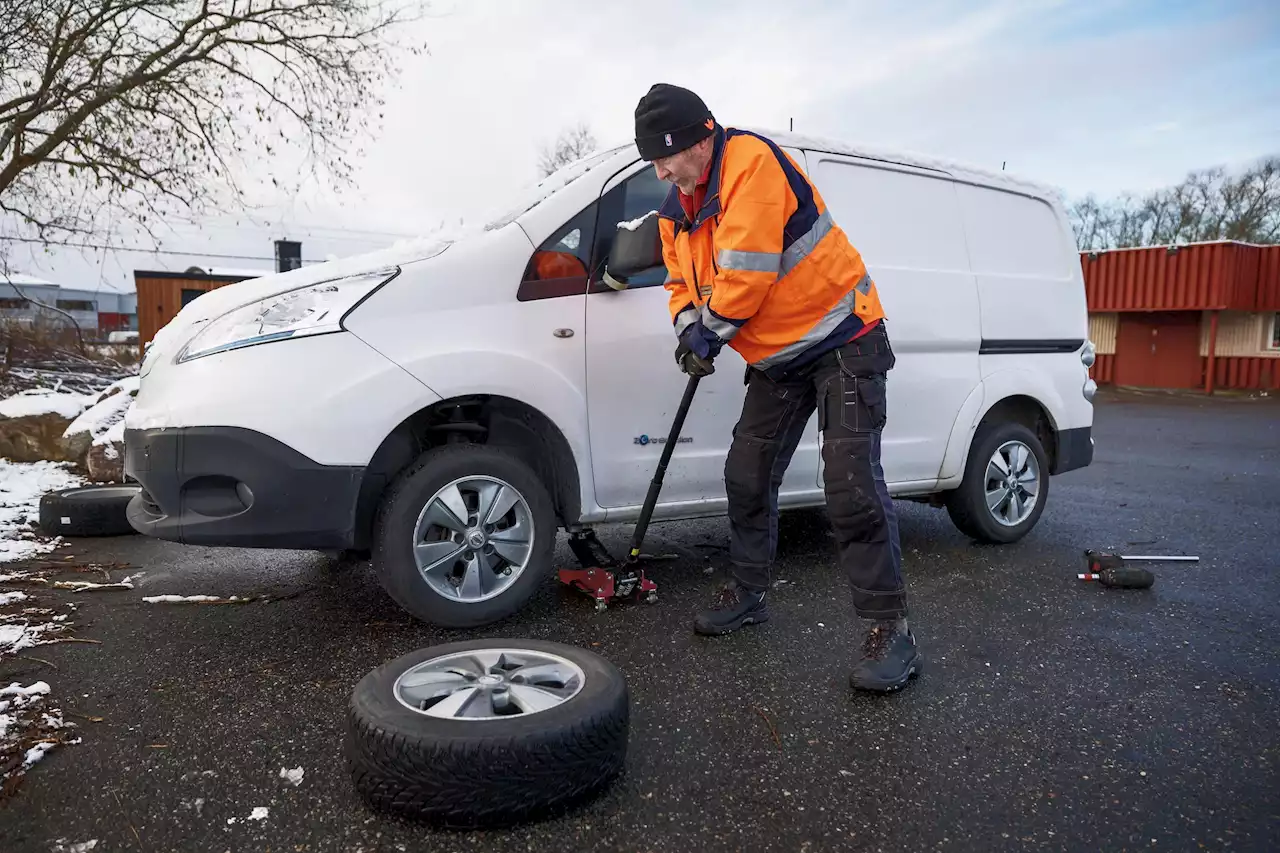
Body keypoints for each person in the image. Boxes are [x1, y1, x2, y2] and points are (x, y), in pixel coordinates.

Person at [632, 83, 921, 693]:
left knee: (850, 486)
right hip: (778, 357)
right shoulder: (674, 214)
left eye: (665, 156)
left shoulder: (750, 164)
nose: (660, 171)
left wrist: (711, 332)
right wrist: (690, 331)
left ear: (699, 138)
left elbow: (747, 272)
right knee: (747, 473)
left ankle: (889, 629)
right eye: (653, 162)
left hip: (844, 336)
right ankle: (749, 590)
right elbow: (679, 288)